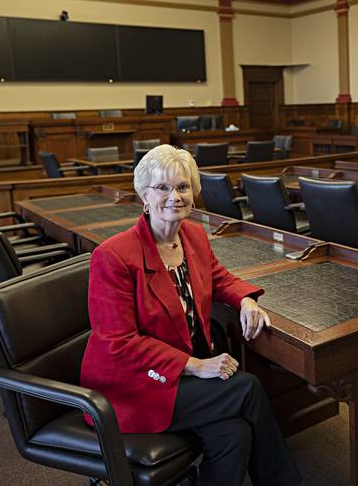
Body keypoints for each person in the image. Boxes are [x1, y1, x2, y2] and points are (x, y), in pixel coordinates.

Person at [80, 144, 301, 486]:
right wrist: (196, 365)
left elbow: (218, 277)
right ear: (144, 195)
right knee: (247, 388)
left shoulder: (193, 236)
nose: (175, 196)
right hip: (135, 384)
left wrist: (246, 301)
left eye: (183, 187)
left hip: (181, 374)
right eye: (163, 187)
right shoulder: (114, 256)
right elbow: (118, 343)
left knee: (234, 433)